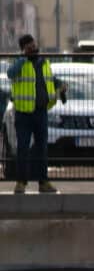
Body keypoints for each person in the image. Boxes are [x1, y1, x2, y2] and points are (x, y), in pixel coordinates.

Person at [11, 33, 58, 194]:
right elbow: (11, 73)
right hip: (23, 113)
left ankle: (43, 182)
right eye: (29, 47)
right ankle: (21, 183)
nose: (33, 49)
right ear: (23, 49)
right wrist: (23, 59)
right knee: (23, 148)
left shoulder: (44, 63)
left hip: (41, 112)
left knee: (42, 148)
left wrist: (61, 86)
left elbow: (50, 79)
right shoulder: (19, 63)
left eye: (34, 46)